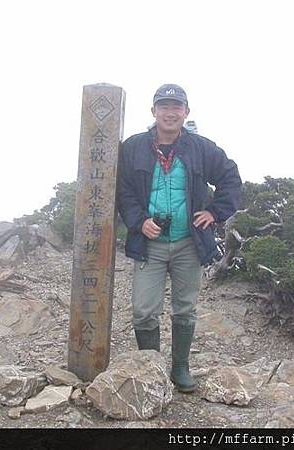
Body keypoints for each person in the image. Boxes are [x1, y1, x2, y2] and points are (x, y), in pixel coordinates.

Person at [116, 84, 242, 393]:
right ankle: (151, 367)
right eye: (163, 106)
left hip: (189, 242)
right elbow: (123, 190)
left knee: (185, 308)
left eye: (176, 107)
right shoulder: (133, 147)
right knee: (144, 310)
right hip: (150, 244)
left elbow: (230, 178)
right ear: (153, 111)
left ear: (186, 112)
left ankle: (181, 367)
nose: (170, 113)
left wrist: (214, 212)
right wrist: (138, 221)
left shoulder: (200, 147)